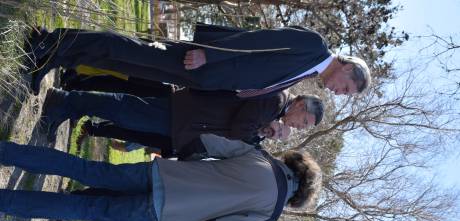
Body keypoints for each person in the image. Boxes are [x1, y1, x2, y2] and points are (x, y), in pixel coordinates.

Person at [0, 134, 322, 221]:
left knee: (85, 169)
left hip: (160, 174)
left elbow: (204, 143)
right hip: (162, 213)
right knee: (83, 209)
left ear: (294, 163)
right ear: (298, 196)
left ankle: (7, 151)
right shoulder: (269, 214)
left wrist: (184, 163)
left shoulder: (259, 156)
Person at [28, 24, 371, 97]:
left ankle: (56, 58)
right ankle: (51, 39)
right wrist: (210, 54)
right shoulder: (314, 46)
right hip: (202, 59)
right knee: (127, 50)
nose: (339, 93)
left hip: (200, 76)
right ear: (346, 68)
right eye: (346, 88)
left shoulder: (307, 74)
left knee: (125, 65)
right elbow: (259, 40)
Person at [40, 86, 323, 148]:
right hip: (186, 112)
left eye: (304, 127)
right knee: (123, 109)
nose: (299, 126)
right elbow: (238, 131)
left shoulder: (275, 110)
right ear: (300, 104)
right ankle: (62, 100)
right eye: (305, 121)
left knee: (125, 113)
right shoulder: (275, 101)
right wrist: (263, 129)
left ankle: (69, 106)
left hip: (186, 119)